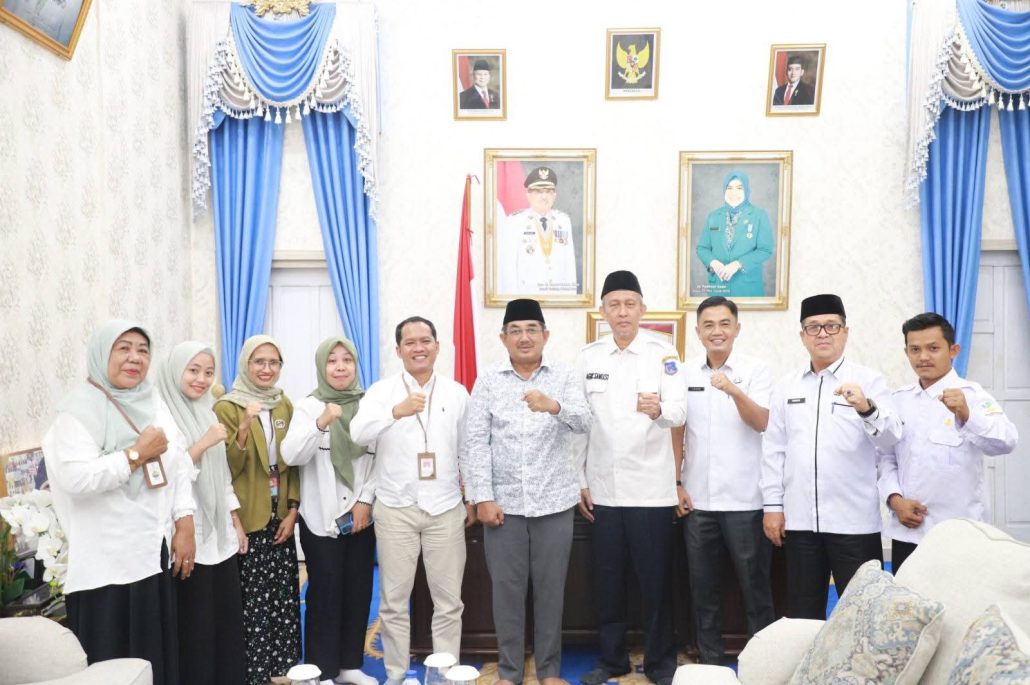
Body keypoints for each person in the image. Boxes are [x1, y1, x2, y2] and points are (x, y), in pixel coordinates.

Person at [42, 320, 196, 685]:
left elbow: (178, 462)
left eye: (143, 350)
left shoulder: (152, 401)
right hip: (106, 566)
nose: (135, 358)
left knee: (153, 661)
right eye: (123, 348)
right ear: (101, 354)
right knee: (111, 666)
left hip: (151, 554)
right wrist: (134, 455)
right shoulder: (76, 413)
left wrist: (184, 521)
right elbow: (77, 479)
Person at [462, 299, 592, 685]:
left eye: (532, 329)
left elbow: (585, 421)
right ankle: (509, 672)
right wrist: (483, 497)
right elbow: (474, 442)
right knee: (507, 593)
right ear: (503, 338)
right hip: (503, 506)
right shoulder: (488, 380)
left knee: (551, 592)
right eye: (515, 330)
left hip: (554, 503)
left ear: (545, 335)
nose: (524, 337)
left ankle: (549, 671)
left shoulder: (564, 375)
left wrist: (553, 406)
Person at [574, 271, 686, 685]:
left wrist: (660, 411)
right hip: (603, 490)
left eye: (629, 304)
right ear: (603, 311)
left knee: (655, 583)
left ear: (642, 309)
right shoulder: (588, 357)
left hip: (650, 490)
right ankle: (613, 660)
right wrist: (579, 479)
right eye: (614, 305)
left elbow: (680, 411)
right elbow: (579, 424)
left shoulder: (663, 353)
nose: (622, 312)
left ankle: (659, 662)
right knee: (608, 582)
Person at [350, 316, 475, 685]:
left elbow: (468, 449)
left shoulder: (456, 393)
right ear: (398, 350)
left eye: (425, 341)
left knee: (449, 601)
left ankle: (445, 674)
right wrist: (394, 412)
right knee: (393, 602)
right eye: (410, 342)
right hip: (396, 508)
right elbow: (358, 434)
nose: (418, 348)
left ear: (437, 346)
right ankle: (395, 675)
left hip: (445, 507)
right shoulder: (381, 392)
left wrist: (471, 496)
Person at [761, 294, 902, 619]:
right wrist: (772, 507)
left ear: (845, 332)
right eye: (814, 327)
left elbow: (891, 438)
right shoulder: (786, 386)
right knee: (803, 613)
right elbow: (774, 450)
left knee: (863, 613)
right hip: (799, 521)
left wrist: (866, 408)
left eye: (831, 326)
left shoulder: (869, 381)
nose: (823, 333)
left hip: (853, 521)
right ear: (802, 336)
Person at [670, 296, 775, 665]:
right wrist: (676, 482)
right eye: (709, 325)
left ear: (737, 328)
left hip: (745, 500)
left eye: (725, 324)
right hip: (698, 501)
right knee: (703, 590)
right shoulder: (684, 373)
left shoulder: (756, 370)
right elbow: (677, 429)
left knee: (755, 589)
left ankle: (763, 663)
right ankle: (710, 662)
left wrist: (733, 390)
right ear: (698, 332)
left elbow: (762, 422)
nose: (717, 331)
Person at [878, 312, 1017, 574]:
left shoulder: (972, 395)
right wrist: (895, 500)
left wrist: (967, 415)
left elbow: (1006, 441)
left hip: (960, 534)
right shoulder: (898, 400)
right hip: (908, 531)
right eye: (915, 349)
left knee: (961, 599)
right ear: (906, 352)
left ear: (953, 350)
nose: (923, 357)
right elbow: (886, 457)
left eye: (933, 348)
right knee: (906, 598)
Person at [282, 336, 378, 685]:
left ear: (355, 365)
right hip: (320, 517)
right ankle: (323, 669)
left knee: (358, 589)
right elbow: (292, 455)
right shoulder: (308, 406)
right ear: (322, 367)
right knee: (324, 592)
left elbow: (381, 458)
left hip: (361, 517)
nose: (340, 367)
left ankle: (350, 665)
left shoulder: (369, 405)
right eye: (332, 361)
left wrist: (365, 500)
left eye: (346, 360)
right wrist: (321, 422)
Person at [156, 341, 248, 685]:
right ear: (175, 371)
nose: (202, 379)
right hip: (187, 535)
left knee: (225, 619)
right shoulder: (162, 417)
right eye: (193, 370)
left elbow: (222, 475)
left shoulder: (206, 411)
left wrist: (235, 520)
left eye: (209, 372)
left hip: (218, 532)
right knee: (196, 623)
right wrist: (204, 442)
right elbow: (169, 475)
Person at [214, 335, 300, 685]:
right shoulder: (227, 407)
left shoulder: (284, 404)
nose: (266, 369)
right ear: (245, 364)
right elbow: (226, 468)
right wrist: (244, 429)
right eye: (259, 362)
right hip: (248, 513)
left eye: (273, 363)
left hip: (280, 514)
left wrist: (293, 510)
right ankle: (254, 671)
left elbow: (293, 462)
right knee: (252, 598)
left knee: (282, 594)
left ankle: (283, 666)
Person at [500, 166, 579, 296]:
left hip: (557, 298)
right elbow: (508, 269)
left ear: (554, 195)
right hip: (527, 298)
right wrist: (514, 302)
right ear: (528, 195)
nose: (544, 197)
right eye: (538, 192)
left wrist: (570, 299)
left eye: (548, 191)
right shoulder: (515, 222)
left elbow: (569, 265)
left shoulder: (563, 221)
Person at [695, 171, 774, 298]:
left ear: (746, 190)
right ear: (724, 190)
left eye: (739, 188)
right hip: (718, 288)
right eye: (729, 188)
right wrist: (713, 262)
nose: (734, 192)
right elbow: (702, 248)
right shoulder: (713, 216)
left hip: (747, 288)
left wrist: (738, 264)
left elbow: (765, 250)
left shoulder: (759, 215)